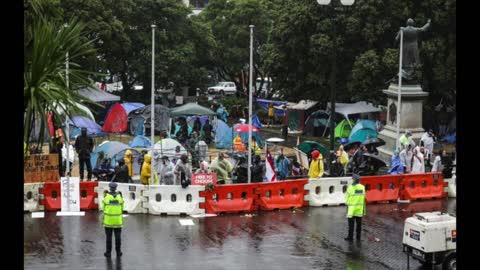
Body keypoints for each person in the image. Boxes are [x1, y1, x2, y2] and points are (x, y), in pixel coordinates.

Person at [102, 182, 124, 257]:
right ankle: (118, 252)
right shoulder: (119, 197)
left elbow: (103, 208)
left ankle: (108, 253)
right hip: (118, 221)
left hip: (108, 222)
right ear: (116, 188)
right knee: (118, 237)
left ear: (110, 188)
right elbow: (122, 208)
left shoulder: (106, 197)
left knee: (109, 238)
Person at [344, 174, 366, 241]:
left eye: (352, 179)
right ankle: (358, 237)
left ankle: (350, 237)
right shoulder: (362, 187)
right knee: (359, 225)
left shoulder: (350, 187)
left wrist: (348, 204)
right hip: (359, 210)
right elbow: (364, 197)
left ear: (354, 180)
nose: (352, 180)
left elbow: (346, 197)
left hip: (351, 210)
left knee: (351, 225)